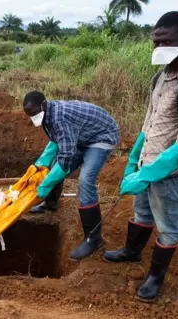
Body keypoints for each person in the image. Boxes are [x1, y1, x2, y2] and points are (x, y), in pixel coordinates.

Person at [102, 11, 178, 302]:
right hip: (146, 162)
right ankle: (131, 252)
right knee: (142, 213)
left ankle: (154, 279)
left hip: (168, 174)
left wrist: (149, 174)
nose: (161, 47)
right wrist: (133, 162)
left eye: (169, 40)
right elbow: (148, 124)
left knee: (168, 227)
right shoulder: (160, 76)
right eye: (157, 41)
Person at [23, 91, 120, 261]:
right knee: (54, 167)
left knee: (85, 180)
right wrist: (40, 164)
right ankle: (50, 204)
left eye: (35, 113)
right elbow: (55, 142)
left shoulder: (60, 117)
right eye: (30, 115)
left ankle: (93, 239)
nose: (34, 117)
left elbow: (66, 156)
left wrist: (45, 185)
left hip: (101, 136)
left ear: (44, 104)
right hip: (82, 136)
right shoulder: (47, 114)